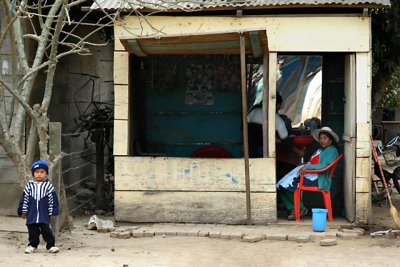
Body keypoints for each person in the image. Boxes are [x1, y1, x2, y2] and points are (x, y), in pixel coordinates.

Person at [276, 127, 340, 220]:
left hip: (318, 179)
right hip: (312, 175)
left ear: (331, 140)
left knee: (287, 185)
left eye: (325, 138)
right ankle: (295, 208)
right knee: (280, 185)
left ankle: (300, 208)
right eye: (321, 138)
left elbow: (322, 166)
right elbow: (314, 162)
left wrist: (307, 167)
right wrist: (305, 164)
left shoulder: (331, 150)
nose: (322, 140)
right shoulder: (322, 150)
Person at [18, 160, 60, 254]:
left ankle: (51, 245)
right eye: (37, 172)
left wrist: (53, 211)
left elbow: (53, 199)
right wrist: (22, 211)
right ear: (33, 173)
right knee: (32, 231)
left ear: (46, 173)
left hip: (44, 213)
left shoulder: (48, 186)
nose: (39, 174)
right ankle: (32, 246)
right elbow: (24, 199)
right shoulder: (29, 186)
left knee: (46, 230)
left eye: (42, 172)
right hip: (32, 214)